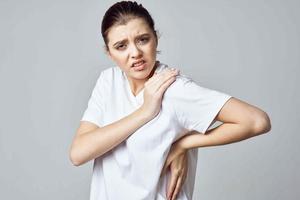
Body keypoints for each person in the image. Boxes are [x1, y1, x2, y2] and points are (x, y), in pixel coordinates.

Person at [69, 1, 271, 200]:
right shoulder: (109, 81)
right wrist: (145, 112)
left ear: (155, 38)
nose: (135, 53)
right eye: (121, 46)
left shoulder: (176, 89)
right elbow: (78, 154)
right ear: (109, 53)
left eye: (142, 39)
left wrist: (184, 143)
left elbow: (257, 121)